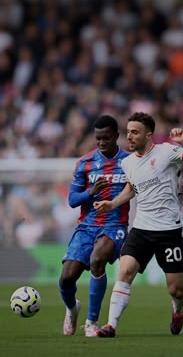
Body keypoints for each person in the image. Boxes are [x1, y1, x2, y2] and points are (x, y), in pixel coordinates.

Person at [94, 112, 183, 337]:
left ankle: (178, 308)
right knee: (126, 270)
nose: (129, 137)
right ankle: (110, 326)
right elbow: (132, 188)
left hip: (169, 231)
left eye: (135, 132)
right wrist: (113, 203)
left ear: (149, 135)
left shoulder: (167, 152)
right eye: (128, 132)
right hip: (141, 229)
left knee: (176, 290)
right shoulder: (127, 162)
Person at [58, 115, 130, 337]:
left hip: (115, 224)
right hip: (87, 227)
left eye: (106, 138)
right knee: (66, 277)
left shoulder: (130, 161)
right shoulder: (85, 163)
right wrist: (91, 192)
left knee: (98, 260)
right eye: (98, 138)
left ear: (116, 136)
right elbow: (72, 200)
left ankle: (91, 322)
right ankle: (72, 308)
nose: (101, 143)